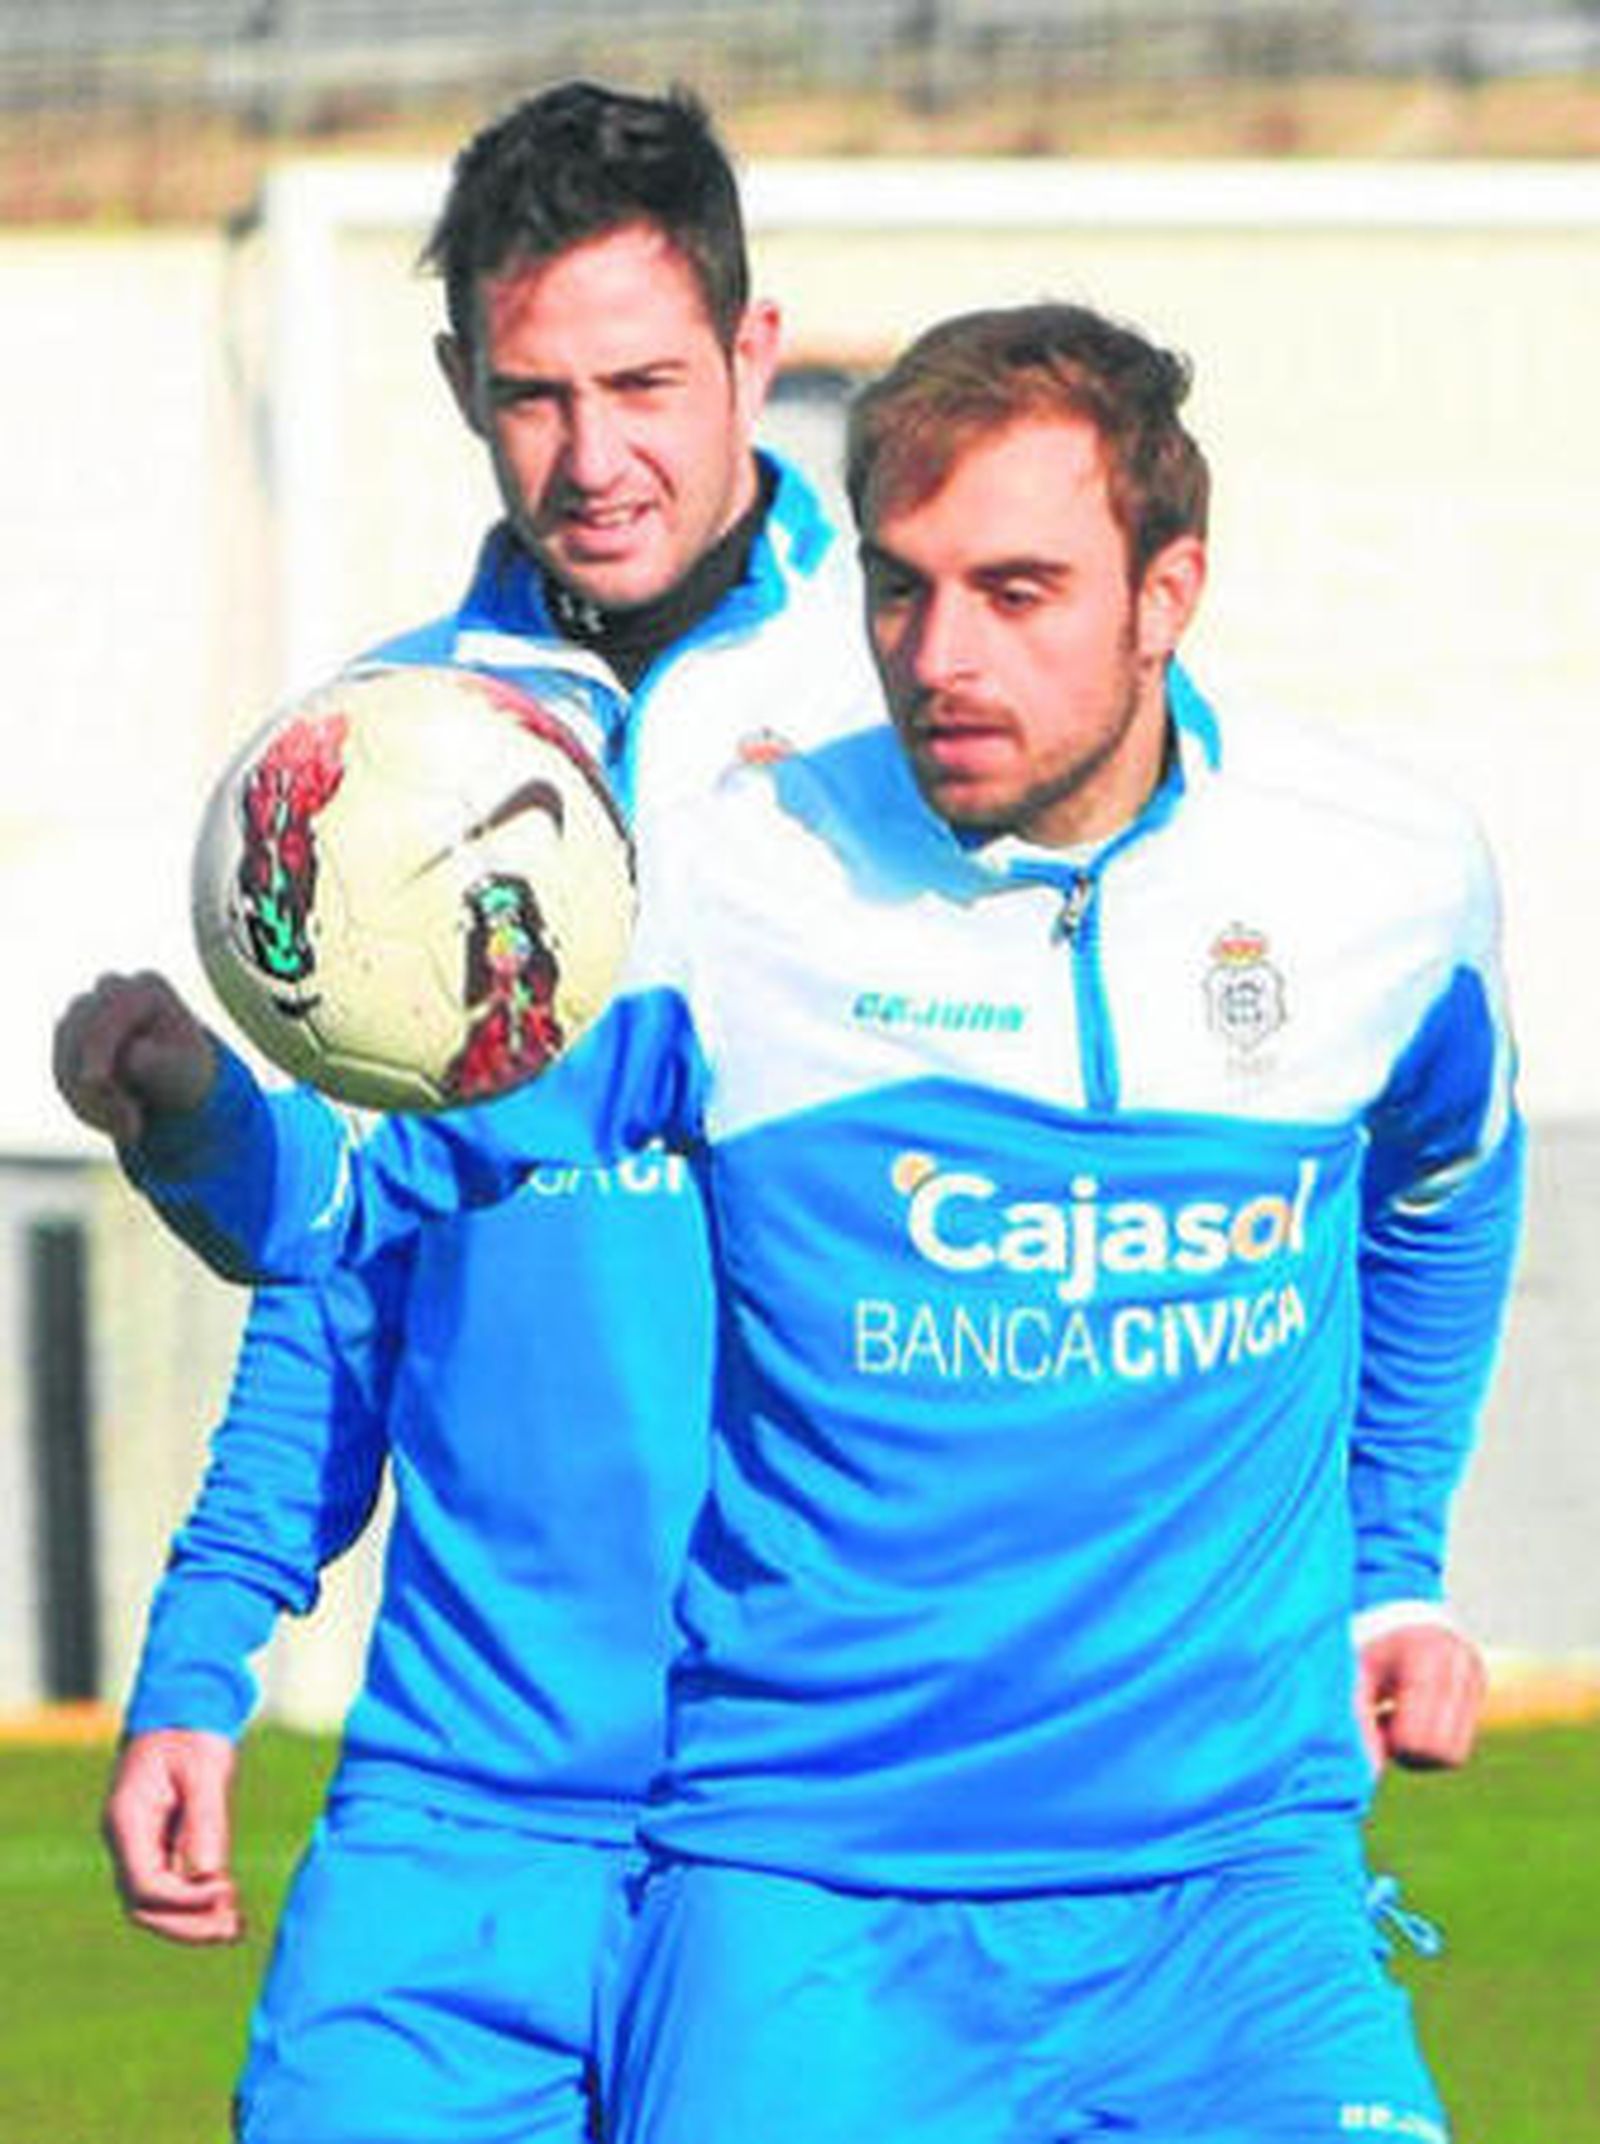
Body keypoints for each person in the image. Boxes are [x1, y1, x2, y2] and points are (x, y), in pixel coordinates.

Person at [57, 302, 1522, 2141]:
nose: (940, 656)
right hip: (806, 1896)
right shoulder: (730, 881)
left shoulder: (1379, 876)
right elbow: (357, 1196)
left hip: (1236, 1900)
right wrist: (192, 1113)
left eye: (1017, 590)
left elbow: (1451, 1182)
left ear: (1170, 593)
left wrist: (1393, 1560)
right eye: (900, 592)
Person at [87, 79, 882, 2144]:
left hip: (825, 1824)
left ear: (752, 357)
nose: (593, 455)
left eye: (643, 380)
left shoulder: (915, 719)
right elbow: (342, 1254)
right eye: (533, 393)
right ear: (459, 385)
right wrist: (204, 1646)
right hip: (458, 1801)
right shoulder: (377, 760)